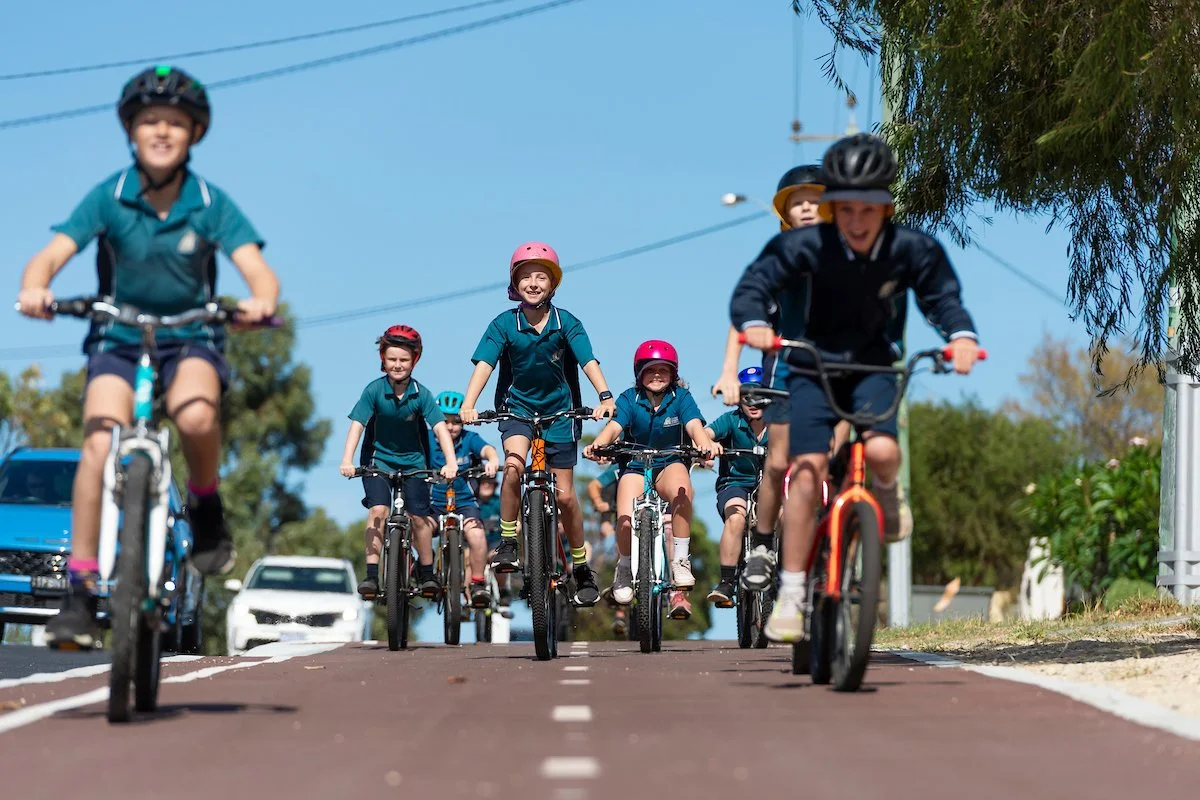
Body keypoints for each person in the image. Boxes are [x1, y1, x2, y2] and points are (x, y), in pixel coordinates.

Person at [16, 65, 280, 650]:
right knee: (97, 442)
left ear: (194, 134)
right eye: (149, 122)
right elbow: (51, 254)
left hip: (191, 336)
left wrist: (260, 302)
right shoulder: (109, 195)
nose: (162, 132)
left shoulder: (210, 202)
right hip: (118, 336)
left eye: (176, 124)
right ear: (131, 131)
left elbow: (258, 271)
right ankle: (81, 594)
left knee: (195, 417)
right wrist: (35, 288)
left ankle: (206, 506)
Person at [730, 133, 981, 641]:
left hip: (873, 368)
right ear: (832, 208)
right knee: (806, 472)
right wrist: (753, 319)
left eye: (869, 209)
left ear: (885, 208)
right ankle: (794, 595)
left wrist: (961, 337)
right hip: (811, 368)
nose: (857, 221)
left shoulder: (911, 248)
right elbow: (756, 282)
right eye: (845, 209)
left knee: (885, 452)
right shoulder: (805, 245)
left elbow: (943, 297)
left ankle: (885, 495)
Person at [459, 242, 617, 608]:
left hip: (561, 412)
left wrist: (605, 396)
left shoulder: (567, 323)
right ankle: (510, 540)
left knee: (564, 495)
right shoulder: (504, 323)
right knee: (513, 466)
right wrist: (469, 404)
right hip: (518, 409)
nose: (533, 282)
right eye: (526, 276)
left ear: (553, 284)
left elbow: (588, 360)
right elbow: (484, 365)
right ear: (515, 284)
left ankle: (580, 567)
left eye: (541, 276)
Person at [712, 165, 826, 593]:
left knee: (833, 458)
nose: (808, 209)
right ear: (785, 214)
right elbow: (744, 315)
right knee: (778, 463)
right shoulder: (778, 260)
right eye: (799, 202)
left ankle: (845, 532)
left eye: (816, 201)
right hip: (788, 371)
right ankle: (761, 543)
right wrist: (729, 372)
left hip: (836, 371)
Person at [583, 340, 720, 620]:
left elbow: (695, 426)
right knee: (624, 515)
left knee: (682, 490)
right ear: (639, 373)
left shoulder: (681, 398)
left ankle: (680, 560)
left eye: (663, 370)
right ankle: (624, 567)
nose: (657, 375)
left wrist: (704, 443)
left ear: (673, 374)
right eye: (650, 370)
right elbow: (614, 427)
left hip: (669, 463)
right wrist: (597, 445)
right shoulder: (628, 399)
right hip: (635, 465)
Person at [339, 326, 457, 600]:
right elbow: (358, 424)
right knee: (378, 510)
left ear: (415, 360)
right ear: (382, 358)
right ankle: (371, 574)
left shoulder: (421, 394)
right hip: (377, 462)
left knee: (419, 518)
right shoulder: (374, 390)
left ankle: (427, 572)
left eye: (404, 360)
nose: (397, 365)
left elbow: (439, 428)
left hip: (415, 464)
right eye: (392, 359)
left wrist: (450, 462)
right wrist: (347, 460)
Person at [704, 367, 769, 607]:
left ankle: (782, 573)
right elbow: (704, 433)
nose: (752, 402)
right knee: (736, 517)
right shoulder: (731, 420)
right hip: (735, 484)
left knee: (783, 515)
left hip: (771, 486)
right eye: (746, 396)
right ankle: (727, 582)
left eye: (759, 395)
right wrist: (709, 444)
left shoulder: (780, 422)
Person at [428, 391, 500, 608]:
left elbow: (487, 449)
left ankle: (477, 584)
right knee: (417, 528)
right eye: (445, 421)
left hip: (465, 503)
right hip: (433, 503)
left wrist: (493, 460)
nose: (451, 427)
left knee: (477, 536)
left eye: (456, 421)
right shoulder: (426, 440)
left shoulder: (470, 439)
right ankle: (424, 567)